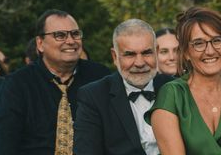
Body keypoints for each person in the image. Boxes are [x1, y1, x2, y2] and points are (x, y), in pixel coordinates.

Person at [0, 9, 109, 155]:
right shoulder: (17, 85)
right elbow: (3, 144)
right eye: (60, 35)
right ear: (40, 43)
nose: (70, 41)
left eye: (75, 34)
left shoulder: (101, 78)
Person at [148, 7, 221, 154]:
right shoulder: (172, 96)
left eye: (216, 40)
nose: (210, 51)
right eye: (199, 43)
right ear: (186, 52)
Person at [74, 19, 173, 155]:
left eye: (146, 53)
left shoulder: (174, 87)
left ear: (156, 52)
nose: (139, 63)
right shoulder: (94, 96)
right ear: (115, 56)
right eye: (130, 54)